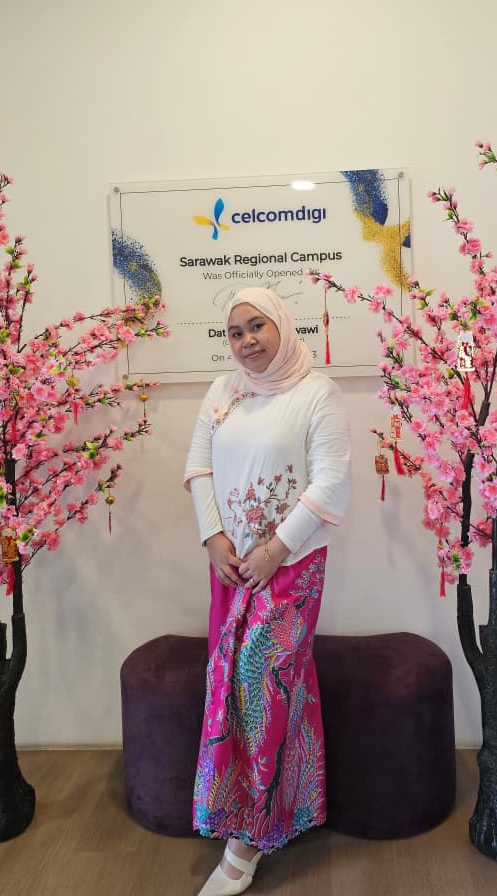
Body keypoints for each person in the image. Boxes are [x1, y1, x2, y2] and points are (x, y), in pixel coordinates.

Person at [184, 287, 351, 896]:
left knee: (262, 687)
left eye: (257, 326)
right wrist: (213, 538)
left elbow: (331, 480)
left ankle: (245, 845)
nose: (247, 340)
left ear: (281, 325)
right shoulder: (224, 391)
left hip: (290, 567)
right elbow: (199, 465)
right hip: (231, 566)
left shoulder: (317, 393)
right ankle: (276, 809)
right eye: (236, 332)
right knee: (232, 684)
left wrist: (276, 549)